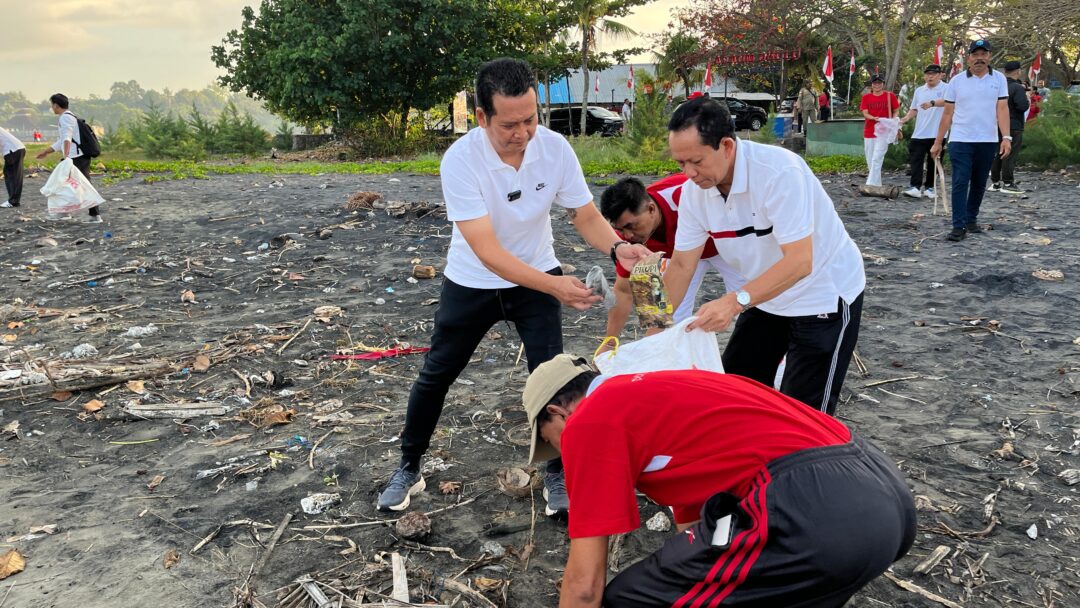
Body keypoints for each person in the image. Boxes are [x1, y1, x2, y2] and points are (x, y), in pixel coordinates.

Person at [375, 58, 648, 516]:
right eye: (509, 124)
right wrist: (557, 286)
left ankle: (557, 474)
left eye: (530, 119)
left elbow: (583, 214)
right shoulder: (461, 161)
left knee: (556, 380)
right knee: (437, 373)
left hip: (537, 277)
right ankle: (409, 466)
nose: (522, 132)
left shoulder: (555, 149)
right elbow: (487, 250)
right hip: (474, 281)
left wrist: (617, 249)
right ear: (481, 117)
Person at [523, 356, 916, 607]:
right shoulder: (665, 392)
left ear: (559, 412)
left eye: (549, 442)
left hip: (815, 512)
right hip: (885, 499)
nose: (560, 453)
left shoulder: (589, 421)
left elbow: (586, 586)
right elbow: (694, 532)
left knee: (630, 599)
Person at [663, 97, 865, 416]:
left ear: (727, 146)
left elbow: (800, 261)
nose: (688, 173)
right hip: (767, 294)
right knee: (735, 392)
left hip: (822, 293)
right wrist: (655, 326)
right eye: (680, 164)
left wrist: (732, 303)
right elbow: (681, 264)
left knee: (804, 415)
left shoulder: (778, 172)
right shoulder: (694, 194)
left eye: (696, 161)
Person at [597, 174, 743, 342]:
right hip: (680, 256)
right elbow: (623, 290)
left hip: (724, 244)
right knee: (670, 321)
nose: (628, 234)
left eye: (631, 226)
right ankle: (674, 364)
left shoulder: (684, 195)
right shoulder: (628, 240)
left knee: (750, 307)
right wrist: (609, 342)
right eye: (621, 229)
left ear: (651, 209)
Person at [931, 40, 1012, 242]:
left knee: (978, 182)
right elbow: (947, 114)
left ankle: (971, 219)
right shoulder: (956, 82)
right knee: (960, 181)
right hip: (960, 139)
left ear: (989, 57)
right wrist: (938, 141)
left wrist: (1007, 137)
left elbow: (1002, 109)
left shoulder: (999, 79)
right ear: (969, 58)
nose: (979, 59)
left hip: (988, 140)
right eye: (975, 55)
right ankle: (958, 226)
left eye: (983, 54)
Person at [35, 93, 102, 223]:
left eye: (52, 105)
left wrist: (66, 157)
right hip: (77, 156)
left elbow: (66, 138)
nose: (52, 108)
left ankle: (94, 215)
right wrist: (46, 152)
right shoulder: (70, 117)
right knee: (69, 184)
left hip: (75, 157)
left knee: (73, 184)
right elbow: (62, 140)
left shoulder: (65, 118)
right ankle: (68, 213)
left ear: (55, 105)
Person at [899, 64, 947, 198]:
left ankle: (930, 188)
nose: (930, 76)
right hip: (919, 133)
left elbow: (949, 102)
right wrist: (906, 118)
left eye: (933, 74)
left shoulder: (946, 88)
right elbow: (914, 108)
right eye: (927, 74)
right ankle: (915, 186)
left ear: (940, 75)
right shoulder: (919, 90)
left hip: (937, 133)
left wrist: (932, 103)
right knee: (916, 159)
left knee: (934, 162)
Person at [989, 60, 1030, 195]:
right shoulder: (1017, 88)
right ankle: (1008, 182)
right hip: (1014, 125)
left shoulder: (998, 85)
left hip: (997, 123)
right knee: (1009, 154)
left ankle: (995, 182)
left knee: (998, 153)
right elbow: (1022, 106)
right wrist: (1028, 100)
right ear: (1018, 71)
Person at [860, 75, 900, 187]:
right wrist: (873, 118)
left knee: (877, 157)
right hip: (870, 131)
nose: (877, 85)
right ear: (872, 84)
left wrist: (893, 120)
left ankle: (870, 184)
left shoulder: (890, 96)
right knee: (870, 159)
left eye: (879, 82)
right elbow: (865, 112)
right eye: (875, 83)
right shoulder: (866, 97)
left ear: (883, 84)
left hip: (884, 132)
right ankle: (877, 184)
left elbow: (896, 110)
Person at [1, 127, 25, 209]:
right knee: (9, 174)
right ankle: (13, 200)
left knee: (13, 176)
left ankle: (13, 201)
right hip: (15, 149)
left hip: (13, 150)